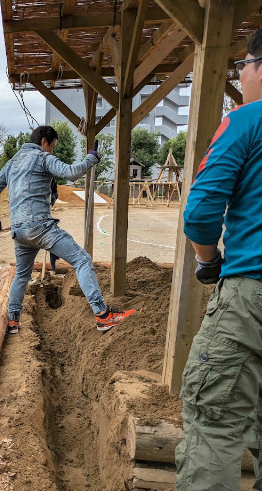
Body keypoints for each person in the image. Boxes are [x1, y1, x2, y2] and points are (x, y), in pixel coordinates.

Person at [175, 28, 262, 490]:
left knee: (213, 420)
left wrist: (208, 261)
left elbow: (201, 211)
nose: (241, 77)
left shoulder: (246, 121)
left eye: (242, 67)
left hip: (251, 291)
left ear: (259, 67)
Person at [0, 125, 135, 334]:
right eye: (52, 147)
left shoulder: (11, 163)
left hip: (19, 231)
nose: (52, 152)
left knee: (21, 274)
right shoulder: (42, 158)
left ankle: (13, 321)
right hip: (40, 227)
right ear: (44, 141)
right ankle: (103, 315)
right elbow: (71, 173)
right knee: (82, 259)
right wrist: (91, 159)